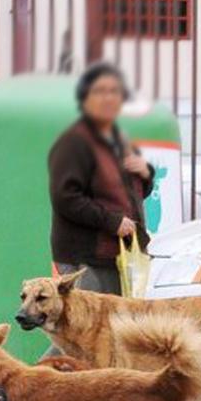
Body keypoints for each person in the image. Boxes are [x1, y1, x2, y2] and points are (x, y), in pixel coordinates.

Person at [48, 62, 154, 296]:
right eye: (100, 91)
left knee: (114, 327)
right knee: (92, 329)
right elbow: (66, 198)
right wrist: (112, 221)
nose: (108, 98)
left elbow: (133, 193)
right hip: (87, 256)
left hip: (116, 255)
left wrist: (146, 174)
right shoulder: (74, 142)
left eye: (114, 91)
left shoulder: (119, 138)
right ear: (85, 98)